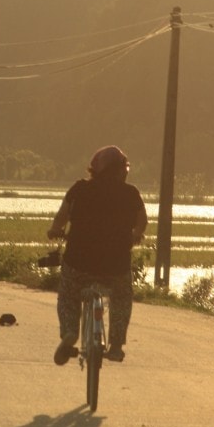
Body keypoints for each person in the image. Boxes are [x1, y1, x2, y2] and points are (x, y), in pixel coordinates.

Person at [46, 145, 148, 365]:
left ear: (94, 169)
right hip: (115, 267)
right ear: (123, 170)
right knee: (121, 298)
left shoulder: (79, 189)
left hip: (78, 264)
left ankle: (70, 332)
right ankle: (116, 345)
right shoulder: (131, 193)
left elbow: (61, 216)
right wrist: (136, 235)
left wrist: (55, 230)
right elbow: (142, 221)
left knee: (68, 296)